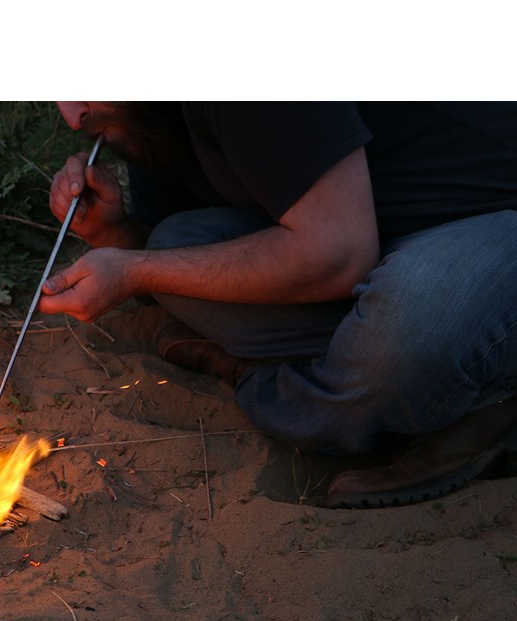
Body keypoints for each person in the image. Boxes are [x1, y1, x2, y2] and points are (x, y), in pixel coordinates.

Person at [39, 102, 517, 508]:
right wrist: (112, 233)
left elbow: (339, 252)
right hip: (375, 241)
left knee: (405, 334)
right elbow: (172, 261)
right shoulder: (153, 116)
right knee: (171, 244)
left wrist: (136, 270)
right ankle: (387, 380)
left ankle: (487, 403)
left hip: (485, 222)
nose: (73, 114)